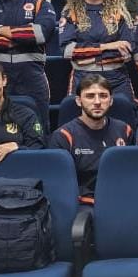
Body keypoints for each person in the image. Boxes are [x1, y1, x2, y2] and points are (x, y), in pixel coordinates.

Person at [49, 74, 131, 204]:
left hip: (121, 201)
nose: (97, 102)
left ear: (111, 101)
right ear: (78, 101)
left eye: (103, 96)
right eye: (90, 96)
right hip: (82, 205)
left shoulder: (125, 130)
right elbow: (59, 184)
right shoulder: (63, 136)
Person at [60, 0, 135, 99]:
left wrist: (88, 57)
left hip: (117, 79)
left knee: (126, 115)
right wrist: (107, 46)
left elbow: (128, 51)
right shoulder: (70, 12)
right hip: (82, 78)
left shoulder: (119, 11)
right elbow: (67, 51)